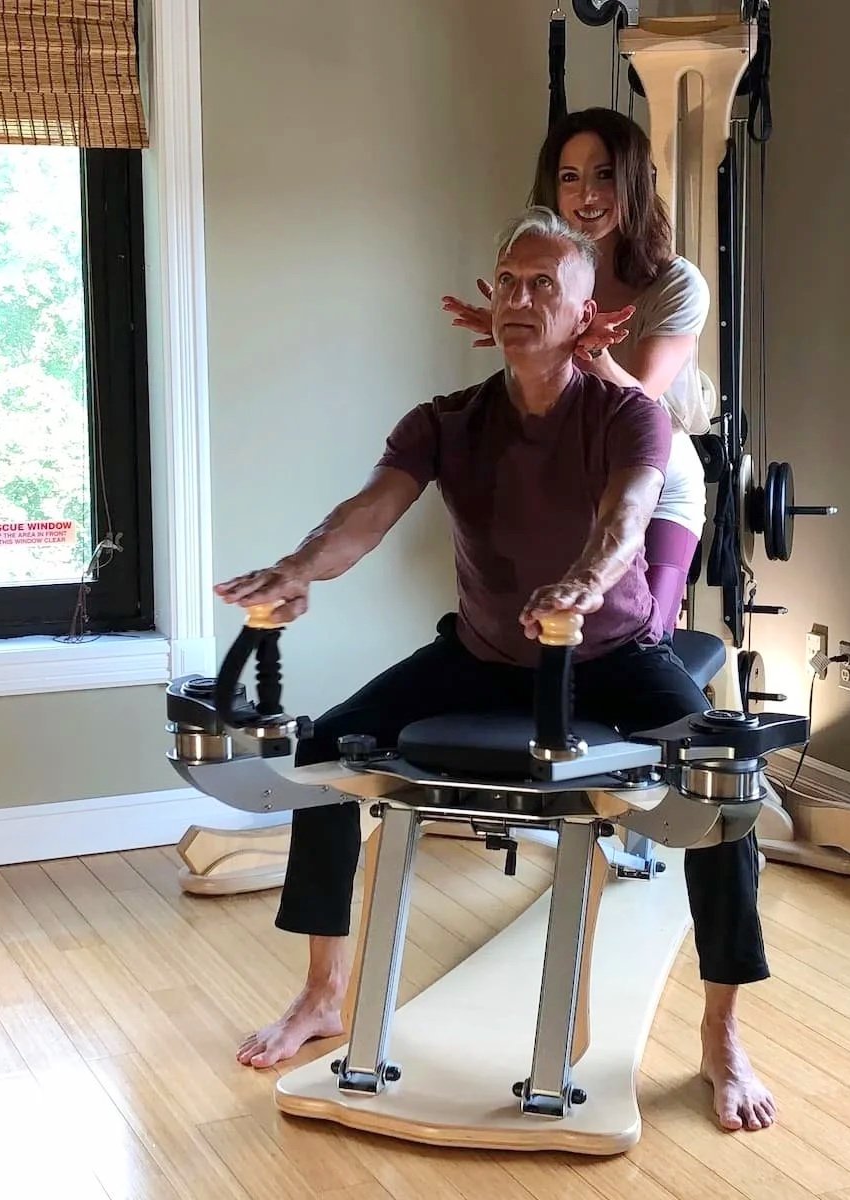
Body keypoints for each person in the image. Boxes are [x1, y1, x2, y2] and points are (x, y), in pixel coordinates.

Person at [214, 207, 776, 1134]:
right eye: (507, 281)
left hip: (615, 657)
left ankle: (722, 1038)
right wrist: (298, 569)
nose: (519, 298)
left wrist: (590, 581)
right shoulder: (447, 422)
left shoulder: (627, 415)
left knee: (728, 794)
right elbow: (365, 513)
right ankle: (323, 994)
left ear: (589, 314)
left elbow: (631, 510)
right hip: (481, 656)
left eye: (543, 285)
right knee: (320, 755)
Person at [442, 107, 711, 641]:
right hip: (575, 475)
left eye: (604, 175)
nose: (587, 195)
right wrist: (515, 326)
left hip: (660, 477)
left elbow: (639, 404)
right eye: (570, 178)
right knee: (549, 633)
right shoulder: (541, 281)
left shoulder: (678, 283)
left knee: (646, 638)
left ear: (633, 180)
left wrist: (581, 348)